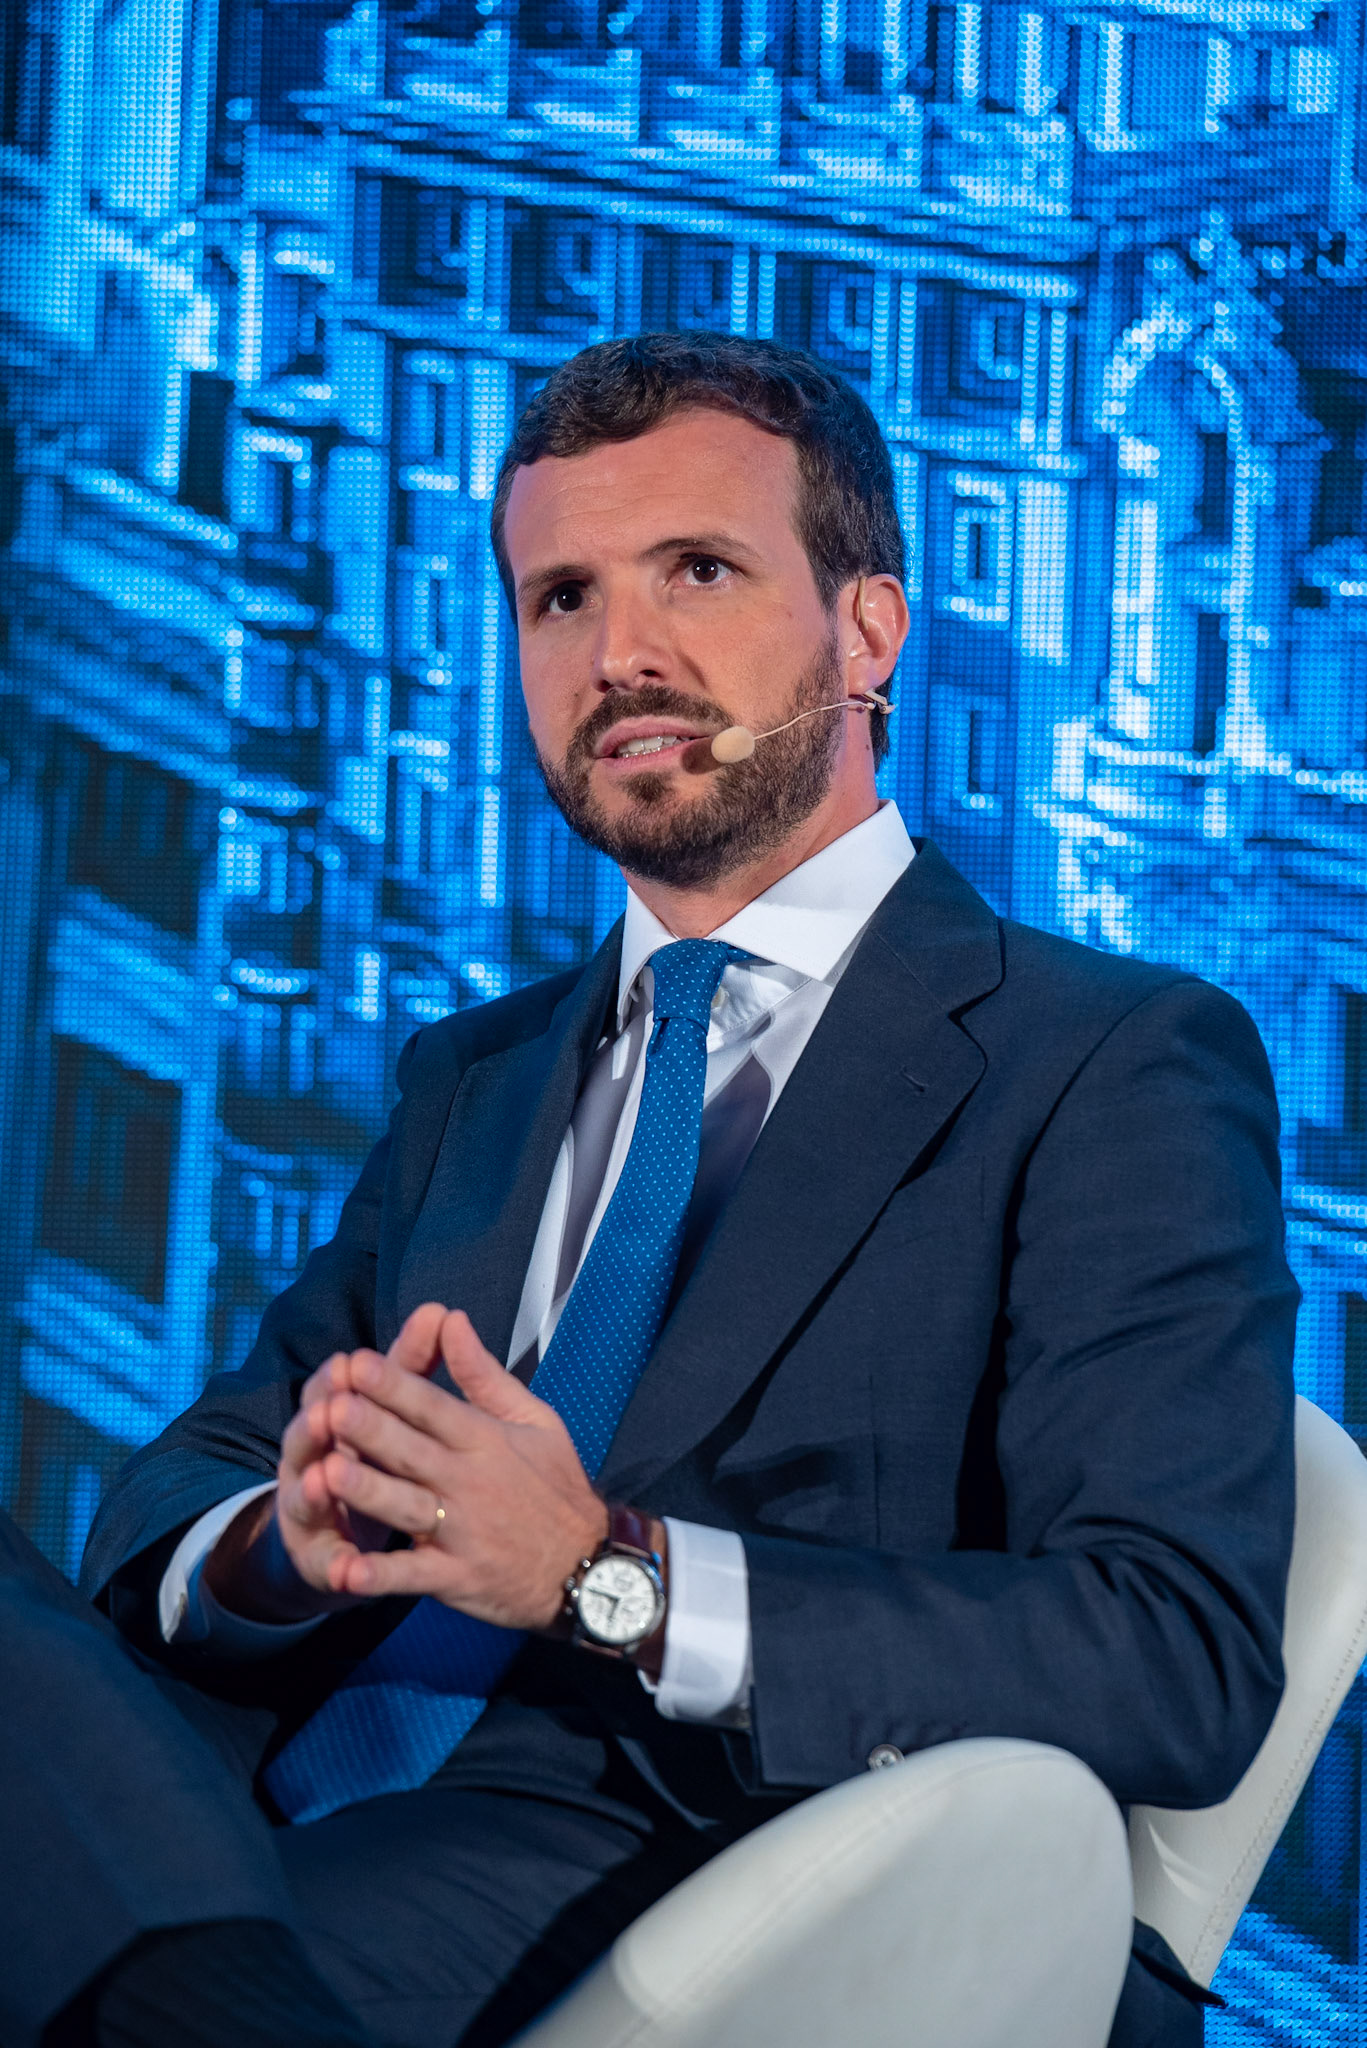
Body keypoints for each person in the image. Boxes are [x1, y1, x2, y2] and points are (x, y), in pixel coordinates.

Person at [2, 333, 1297, 2048]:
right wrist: (286, 1546)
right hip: (221, 1783)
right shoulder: (474, 1072)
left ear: (869, 633)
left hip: (676, 1859)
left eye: (698, 570)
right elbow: (196, 1479)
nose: (620, 654)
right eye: (561, 598)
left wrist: (605, 1577)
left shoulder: (1110, 1059)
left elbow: (1171, 1654)